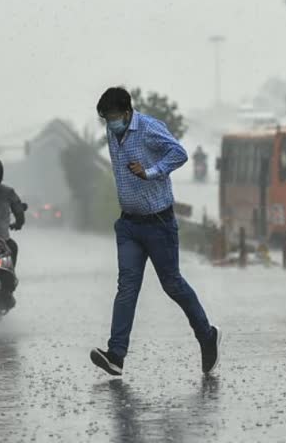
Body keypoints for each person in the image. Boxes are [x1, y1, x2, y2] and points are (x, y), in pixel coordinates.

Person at [89, 87, 221, 377]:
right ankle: (116, 355)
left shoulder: (148, 128)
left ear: (126, 113)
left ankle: (207, 335)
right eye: (106, 119)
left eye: (113, 117)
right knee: (127, 287)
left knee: (172, 284)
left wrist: (150, 171)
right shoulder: (113, 133)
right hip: (128, 225)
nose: (110, 124)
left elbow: (179, 153)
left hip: (159, 223)